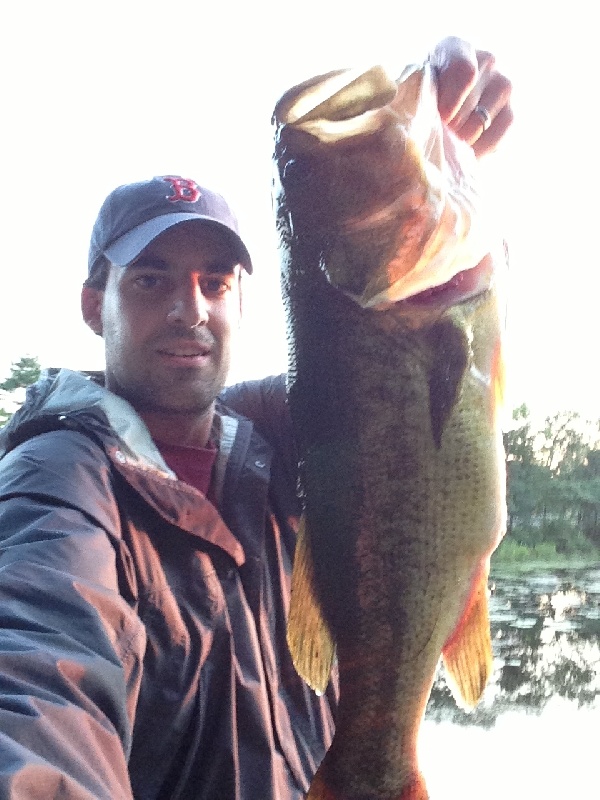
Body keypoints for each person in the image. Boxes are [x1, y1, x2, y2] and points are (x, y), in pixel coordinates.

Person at [0, 37, 512, 800]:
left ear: (244, 302)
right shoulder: (56, 488)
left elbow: (381, 391)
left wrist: (442, 121)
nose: (189, 310)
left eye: (215, 282)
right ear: (91, 305)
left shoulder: (276, 438)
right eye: (150, 280)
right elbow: (39, 679)